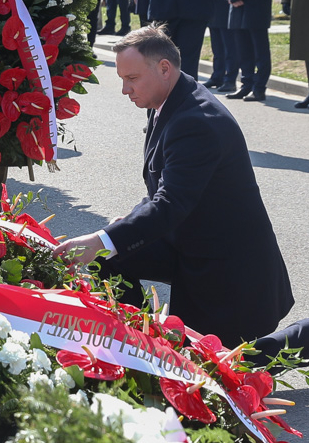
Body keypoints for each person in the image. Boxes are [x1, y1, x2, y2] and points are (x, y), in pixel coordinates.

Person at [51, 26, 294, 348]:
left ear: (164, 68)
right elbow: (162, 191)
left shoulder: (197, 121)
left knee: (213, 367)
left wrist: (100, 238)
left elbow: (170, 204)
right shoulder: (169, 100)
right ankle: (137, 344)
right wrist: (119, 229)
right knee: (108, 254)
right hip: (188, 242)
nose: (125, 89)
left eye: (132, 79)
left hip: (227, 269)